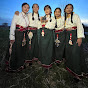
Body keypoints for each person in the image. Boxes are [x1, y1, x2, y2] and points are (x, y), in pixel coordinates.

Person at [5, 3, 30, 71]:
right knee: (15, 49)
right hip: (17, 34)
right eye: (25, 7)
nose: (26, 9)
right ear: (22, 7)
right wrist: (12, 37)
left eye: (28, 8)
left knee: (21, 50)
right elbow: (13, 25)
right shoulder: (17, 14)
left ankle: (20, 65)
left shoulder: (27, 15)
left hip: (24, 34)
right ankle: (12, 66)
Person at [64, 4, 85, 80]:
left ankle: (78, 74)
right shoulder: (65, 18)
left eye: (70, 8)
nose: (69, 9)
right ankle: (71, 70)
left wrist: (79, 37)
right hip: (67, 36)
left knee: (75, 53)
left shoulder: (76, 16)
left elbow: (79, 26)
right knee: (69, 53)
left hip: (74, 35)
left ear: (72, 9)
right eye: (67, 8)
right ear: (65, 9)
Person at [38, 5, 56, 72]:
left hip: (49, 35)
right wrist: (43, 23)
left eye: (48, 9)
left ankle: (47, 65)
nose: (46, 10)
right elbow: (39, 25)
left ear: (50, 10)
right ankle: (43, 62)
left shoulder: (53, 18)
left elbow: (52, 26)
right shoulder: (42, 17)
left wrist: (44, 24)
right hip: (43, 34)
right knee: (43, 48)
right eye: (45, 9)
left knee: (48, 49)